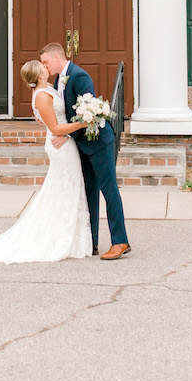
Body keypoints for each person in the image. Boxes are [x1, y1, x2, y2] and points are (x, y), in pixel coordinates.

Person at [0, 59, 92, 264]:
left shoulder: (49, 89)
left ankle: (72, 236)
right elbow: (55, 129)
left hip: (65, 143)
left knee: (66, 188)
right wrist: (82, 123)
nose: (46, 67)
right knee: (64, 188)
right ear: (39, 75)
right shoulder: (42, 96)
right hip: (59, 145)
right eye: (43, 66)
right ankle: (61, 237)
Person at [40, 42, 130, 260]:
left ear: (57, 58)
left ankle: (120, 241)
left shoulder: (79, 76)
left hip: (99, 142)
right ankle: (92, 242)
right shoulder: (57, 80)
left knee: (109, 190)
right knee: (88, 191)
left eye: (45, 62)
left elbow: (88, 113)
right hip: (82, 145)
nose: (44, 66)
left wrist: (66, 134)